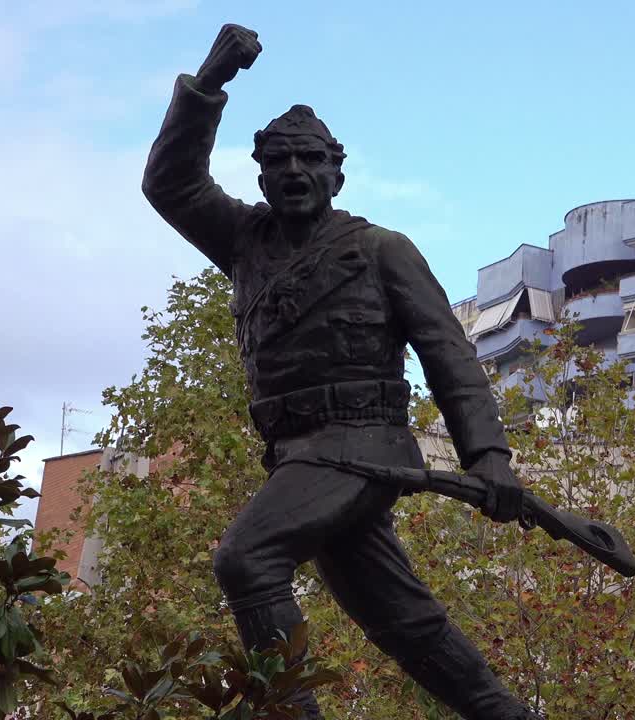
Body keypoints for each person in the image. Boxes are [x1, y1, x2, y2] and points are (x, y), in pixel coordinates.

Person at [142, 23, 541, 720]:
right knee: (405, 624)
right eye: (279, 161)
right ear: (261, 178)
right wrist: (208, 83)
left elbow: (448, 356)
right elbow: (171, 183)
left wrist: (490, 458)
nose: (295, 171)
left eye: (311, 160)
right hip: (297, 457)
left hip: (364, 446)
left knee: (246, 560)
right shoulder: (245, 242)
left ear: (337, 175)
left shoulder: (382, 250)